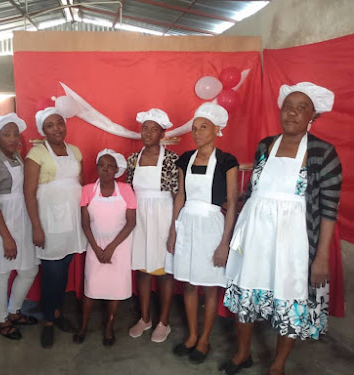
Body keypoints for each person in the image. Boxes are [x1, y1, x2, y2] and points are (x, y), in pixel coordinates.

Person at [221, 82, 342, 375]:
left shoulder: (323, 153)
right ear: (280, 111)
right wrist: (240, 200)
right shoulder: (266, 144)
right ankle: (242, 353)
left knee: (289, 297)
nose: (293, 113)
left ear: (313, 115)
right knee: (246, 292)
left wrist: (321, 257)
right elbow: (257, 190)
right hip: (255, 237)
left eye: (302, 108)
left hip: (294, 243)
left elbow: (328, 209)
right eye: (288, 106)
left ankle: (277, 364)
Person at [165, 103, 239, 363]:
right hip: (187, 224)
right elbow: (179, 197)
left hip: (212, 227)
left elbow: (231, 202)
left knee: (208, 287)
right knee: (189, 284)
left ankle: (205, 339)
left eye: (203, 127)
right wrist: (173, 232)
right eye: (194, 128)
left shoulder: (228, 162)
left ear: (217, 129)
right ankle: (192, 336)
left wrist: (224, 244)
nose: (196, 133)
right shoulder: (185, 158)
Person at [24, 101, 87, 348]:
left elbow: (78, 182)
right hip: (49, 220)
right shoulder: (36, 154)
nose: (56, 128)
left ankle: (57, 312)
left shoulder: (75, 151)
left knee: (64, 268)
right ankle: (48, 321)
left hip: (71, 218)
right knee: (52, 271)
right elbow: (29, 192)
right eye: (50, 125)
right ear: (43, 131)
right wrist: (36, 227)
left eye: (59, 123)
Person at [0, 113, 39, 341]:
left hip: (19, 217)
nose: (13, 138)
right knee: (1, 273)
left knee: (28, 269)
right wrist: (6, 237)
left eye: (15, 134)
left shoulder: (16, 157)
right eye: (6, 134)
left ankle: (15, 311)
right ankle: (3, 320)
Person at [73, 149, 136, 346]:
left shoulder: (126, 189)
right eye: (101, 166)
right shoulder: (88, 190)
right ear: (97, 168)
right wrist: (97, 248)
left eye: (110, 166)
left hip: (119, 247)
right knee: (91, 288)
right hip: (95, 245)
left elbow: (131, 223)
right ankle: (83, 325)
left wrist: (110, 248)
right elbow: (85, 223)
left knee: (115, 289)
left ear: (117, 169)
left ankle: (109, 326)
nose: (105, 169)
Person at [127, 108, 179, 343]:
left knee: (164, 272)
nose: (148, 133)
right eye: (144, 128)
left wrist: (173, 229)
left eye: (154, 129)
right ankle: (145, 318)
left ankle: (164, 322)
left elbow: (178, 195)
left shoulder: (171, 159)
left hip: (163, 216)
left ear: (163, 133)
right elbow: (129, 192)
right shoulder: (132, 159)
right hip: (140, 218)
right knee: (143, 270)